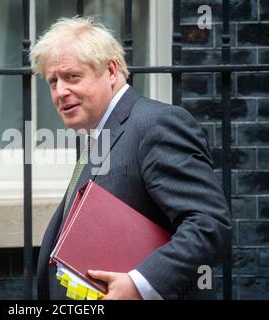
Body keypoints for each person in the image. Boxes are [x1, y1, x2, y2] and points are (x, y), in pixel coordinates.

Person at [29, 16, 231, 300]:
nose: (60, 91)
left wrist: (140, 284)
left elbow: (209, 225)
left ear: (111, 71)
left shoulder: (156, 123)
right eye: (52, 81)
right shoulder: (100, 136)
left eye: (72, 76)